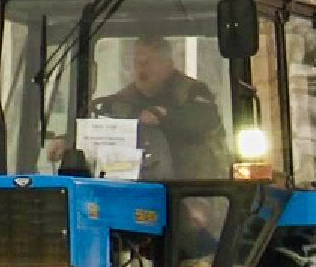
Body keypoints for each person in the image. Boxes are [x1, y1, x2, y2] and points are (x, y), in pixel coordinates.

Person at [90, 34, 231, 181]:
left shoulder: (192, 92)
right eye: (137, 62)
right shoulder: (121, 101)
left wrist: (165, 116)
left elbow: (206, 121)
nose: (142, 67)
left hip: (192, 186)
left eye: (149, 61)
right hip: (136, 185)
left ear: (168, 64)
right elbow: (104, 130)